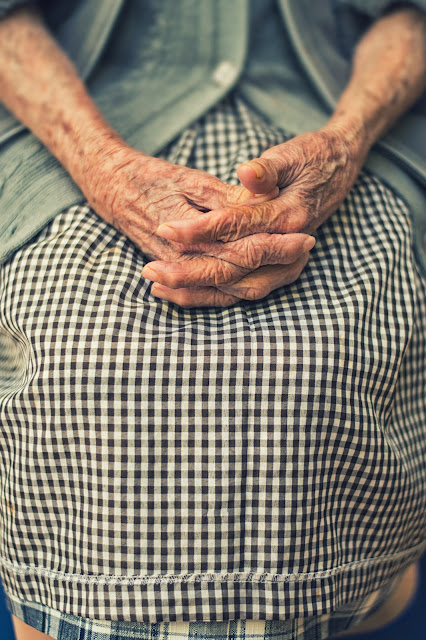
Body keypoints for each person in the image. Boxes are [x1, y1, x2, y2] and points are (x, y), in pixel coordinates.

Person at [0, 1, 425, 639]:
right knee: (82, 359)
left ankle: (368, 597)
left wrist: (348, 140)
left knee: (331, 350)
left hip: (338, 113)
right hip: (76, 119)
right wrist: (103, 167)